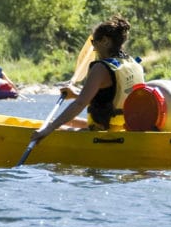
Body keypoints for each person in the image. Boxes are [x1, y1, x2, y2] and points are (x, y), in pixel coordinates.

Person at [30, 14, 144, 144]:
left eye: (94, 42)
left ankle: (47, 130)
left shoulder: (101, 68)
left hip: (102, 136)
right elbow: (111, 96)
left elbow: (80, 104)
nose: (93, 48)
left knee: (52, 126)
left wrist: (47, 130)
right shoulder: (132, 64)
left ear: (105, 41)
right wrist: (75, 95)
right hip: (126, 129)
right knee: (61, 122)